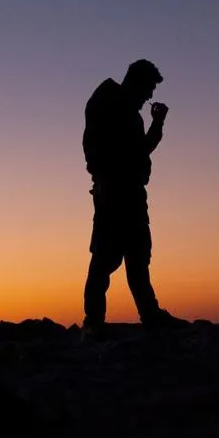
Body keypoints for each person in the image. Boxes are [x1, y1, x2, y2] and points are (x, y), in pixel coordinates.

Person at [81, 59, 186, 334]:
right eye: (149, 88)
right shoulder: (106, 103)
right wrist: (108, 181)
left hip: (132, 195)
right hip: (114, 195)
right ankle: (93, 322)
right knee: (105, 258)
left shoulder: (130, 113)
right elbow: (93, 149)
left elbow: (140, 151)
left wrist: (157, 124)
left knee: (138, 256)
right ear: (136, 82)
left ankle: (149, 313)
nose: (150, 95)